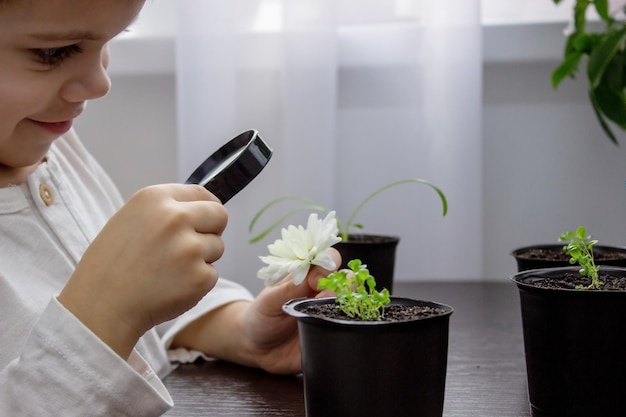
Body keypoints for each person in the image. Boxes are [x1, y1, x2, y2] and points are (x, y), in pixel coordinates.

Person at [0, 0, 340, 415]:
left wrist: (237, 329)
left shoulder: (56, 150)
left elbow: (132, 313)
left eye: (108, 41)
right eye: (54, 52)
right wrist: (107, 314)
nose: (101, 81)